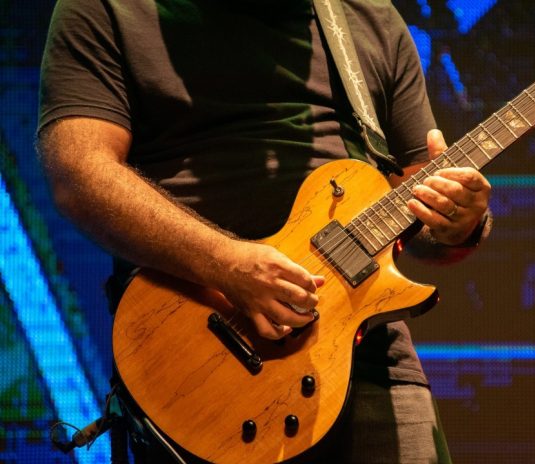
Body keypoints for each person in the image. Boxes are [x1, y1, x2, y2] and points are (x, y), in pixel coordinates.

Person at [37, 0, 491, 462]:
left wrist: (459, 221)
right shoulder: (108, 8)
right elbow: (78, 173)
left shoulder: (368, 17)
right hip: (201, 363)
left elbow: (422, 213)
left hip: (369, 356)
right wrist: (227, 265)